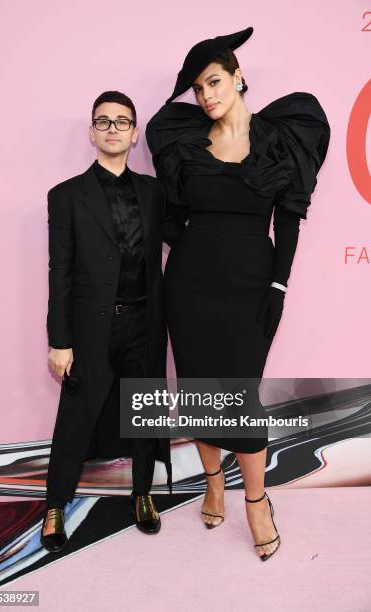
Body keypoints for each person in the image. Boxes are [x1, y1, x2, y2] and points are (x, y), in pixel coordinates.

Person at [146, 27, 330, 561]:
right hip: (190, 285)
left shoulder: (282, 139)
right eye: (198, 89)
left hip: (251, 286)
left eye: (214, 82)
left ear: (238, 77)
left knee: (240, 398)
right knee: (202, 393)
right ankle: (212, 482)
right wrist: (198, 249)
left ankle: (256, 501)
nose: (206, 96)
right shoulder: (186, 144)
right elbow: (168, 216)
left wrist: (278, 282)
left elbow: (290, 220)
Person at [41, 90, 172, 553]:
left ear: (135, 134)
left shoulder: (156, 193)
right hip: (92, 329)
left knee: (144, 411)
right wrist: (60, 340)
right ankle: (56, 503)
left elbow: (188, 240)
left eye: (122, 121)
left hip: (146, 324)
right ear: (92, 132)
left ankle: (142, 495)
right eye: (104, 121)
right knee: (75, 417)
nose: (113, 128)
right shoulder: (66, 196)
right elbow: (60, 271)